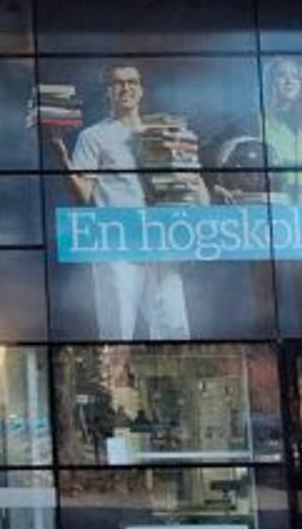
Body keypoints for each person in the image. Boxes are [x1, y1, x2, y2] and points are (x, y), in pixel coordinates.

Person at [54, 59, 202, 341]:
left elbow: (186, 184)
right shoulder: (93, 136)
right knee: (118, 329)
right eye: (118, 83)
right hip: (118, 244)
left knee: (174, 326)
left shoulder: (163, 132)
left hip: (160, 240)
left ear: (141, 90)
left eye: (132, 82)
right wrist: (62, 159)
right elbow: (83, 194)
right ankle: (117, 383)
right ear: (108, 91)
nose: (125, 88)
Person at [260, 57, 302, 202]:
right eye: (282, 75)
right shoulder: (259, 123)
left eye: (296, 77)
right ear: (271, 81)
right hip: (279, 212)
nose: (289, 81)